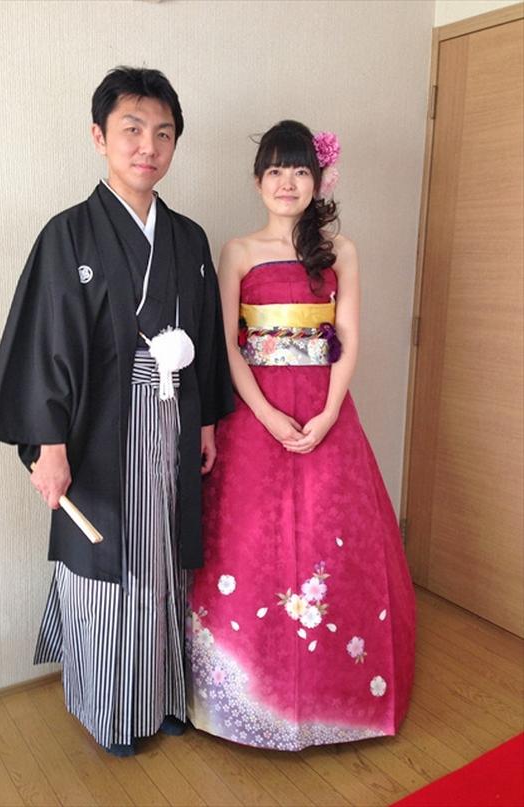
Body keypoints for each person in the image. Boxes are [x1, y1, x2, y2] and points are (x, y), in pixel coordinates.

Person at [0, 66, 234, 756]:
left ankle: (165, 696)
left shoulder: (188, 239)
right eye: (132, 129)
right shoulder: (68, 235)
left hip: (172, 418)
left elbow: (205, 337)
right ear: (99, 137)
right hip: (96, 434)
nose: (148, 146)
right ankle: (110, 710)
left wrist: (206, 420)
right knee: (106, 570)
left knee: (165, 561)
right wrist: (47, 443)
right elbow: (46, 343)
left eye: (163, 133)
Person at [187, 120, 415, 751]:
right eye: (275, 171)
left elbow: (350, 336)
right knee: (250, 542)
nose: (287, 183)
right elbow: (225, 344)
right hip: (255, 413)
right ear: (257, 180)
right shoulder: (236, 250)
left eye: (299, 171)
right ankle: (242, 702)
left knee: (329, 539)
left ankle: (336, 700)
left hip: (323, 411)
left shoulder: (341, 251)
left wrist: (331, 410)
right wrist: (263, 413)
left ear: (319, 180)